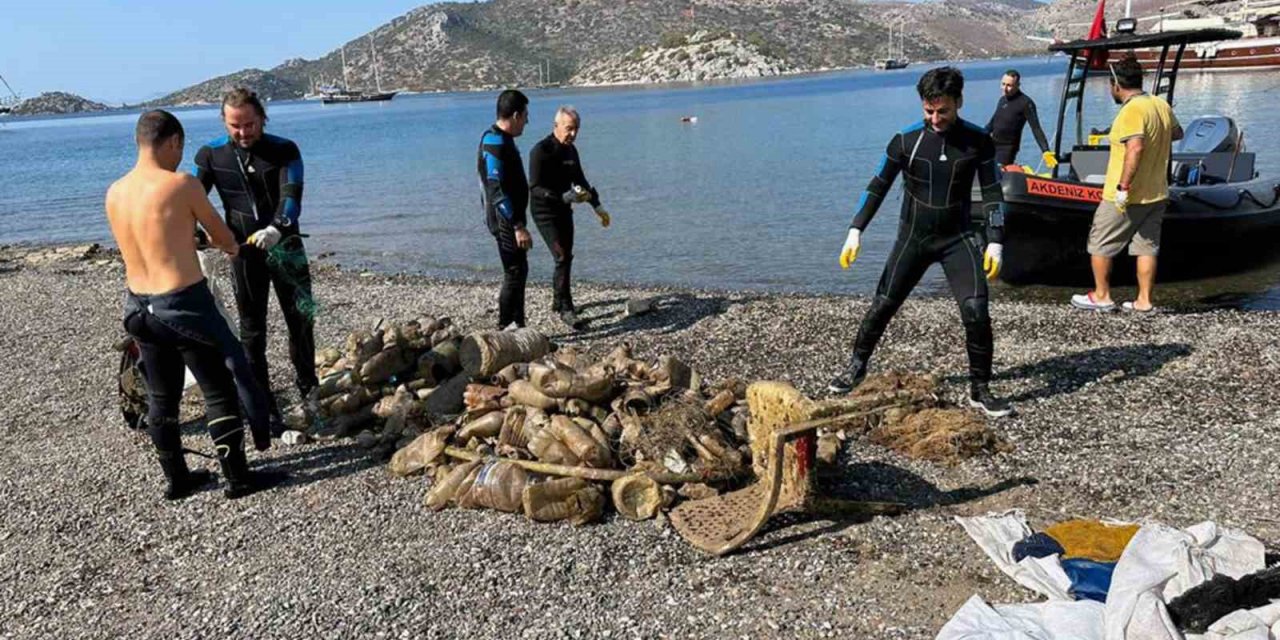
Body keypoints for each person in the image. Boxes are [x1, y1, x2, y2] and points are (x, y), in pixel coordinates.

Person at [107, 110, 284, 500]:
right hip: (183, 306)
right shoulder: (182, 184)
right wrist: (234, 246)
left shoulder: (115, 191)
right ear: (173, 143)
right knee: (218, 388)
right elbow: (222, 236)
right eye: (179, 149)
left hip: (137, 307)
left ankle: (178, 480)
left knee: (162, 395)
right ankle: (238, 478)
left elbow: (154, 241)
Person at [831, 67, 1014, 418]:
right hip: (913, 238)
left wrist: (996, 241)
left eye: (942, 111)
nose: (935, 118)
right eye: (928, 111)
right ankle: (855, 367)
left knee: (976, 311)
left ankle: (980, 389)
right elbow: (877, 186)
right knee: (883, 304)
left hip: (957, 238)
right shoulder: (905, 140)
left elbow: (992, 193)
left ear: (958, 102)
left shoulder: (978, 141)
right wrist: (856, 230)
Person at [194, 88, 318, 422]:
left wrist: (277, 228)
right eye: (235, 125)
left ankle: (309, 388)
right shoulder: (210, 155)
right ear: (224, 121)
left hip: (286, 247)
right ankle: (262, 403)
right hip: (244, 251)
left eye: (250, 124)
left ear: (262, 118)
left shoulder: (284, 149)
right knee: (252, 330)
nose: (243, 132)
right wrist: (197, 234)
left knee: (301, 321)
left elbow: (292, 196)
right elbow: (194, 201)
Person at [1070, 54, 1182, 313]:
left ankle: (1101, 296)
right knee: (1147, 247)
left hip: (1126, 195)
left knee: (1100, 242)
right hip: (1156, 192)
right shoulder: (1160, 105)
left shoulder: (1130, 110)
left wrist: (1123, 187)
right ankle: (1144, 301)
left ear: (1116, 85)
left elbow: (1135, 148)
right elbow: (1177, 133)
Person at [528, 106, 612, 330]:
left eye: (576, 130)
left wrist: (598, 207)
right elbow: (534, 188)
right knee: (562, 256)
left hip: (564, 208)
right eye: (569, 129)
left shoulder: (571, 151)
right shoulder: (541, 151)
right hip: (544, 211)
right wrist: (562, 197)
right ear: (556, 126)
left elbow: (581, 181)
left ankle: (557, 301)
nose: (573, 134)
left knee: (567, 256)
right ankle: (567, 308)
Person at [478, 89, 532, 329]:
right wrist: (518, 225)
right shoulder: (495, 142)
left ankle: (518, 325)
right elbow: (496, 189)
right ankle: (505, 326)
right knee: (514, 271)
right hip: (504, 220)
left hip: (510, 218)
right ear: (516, 115)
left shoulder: (500, 138)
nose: (527, 122)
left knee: (520, 270)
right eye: (526, 116)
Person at [986, 69, 1057, 169]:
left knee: (998, 174)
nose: (1005, 88)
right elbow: (992, 124)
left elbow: (1036, 128)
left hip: (1007, 149)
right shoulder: (1002, 100)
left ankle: (1020, 172)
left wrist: (1046, 151)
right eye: (1003, 84)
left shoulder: (1025, 103)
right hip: (992, 145)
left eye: (1009, 85)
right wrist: (977, 137)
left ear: (1018, 85)